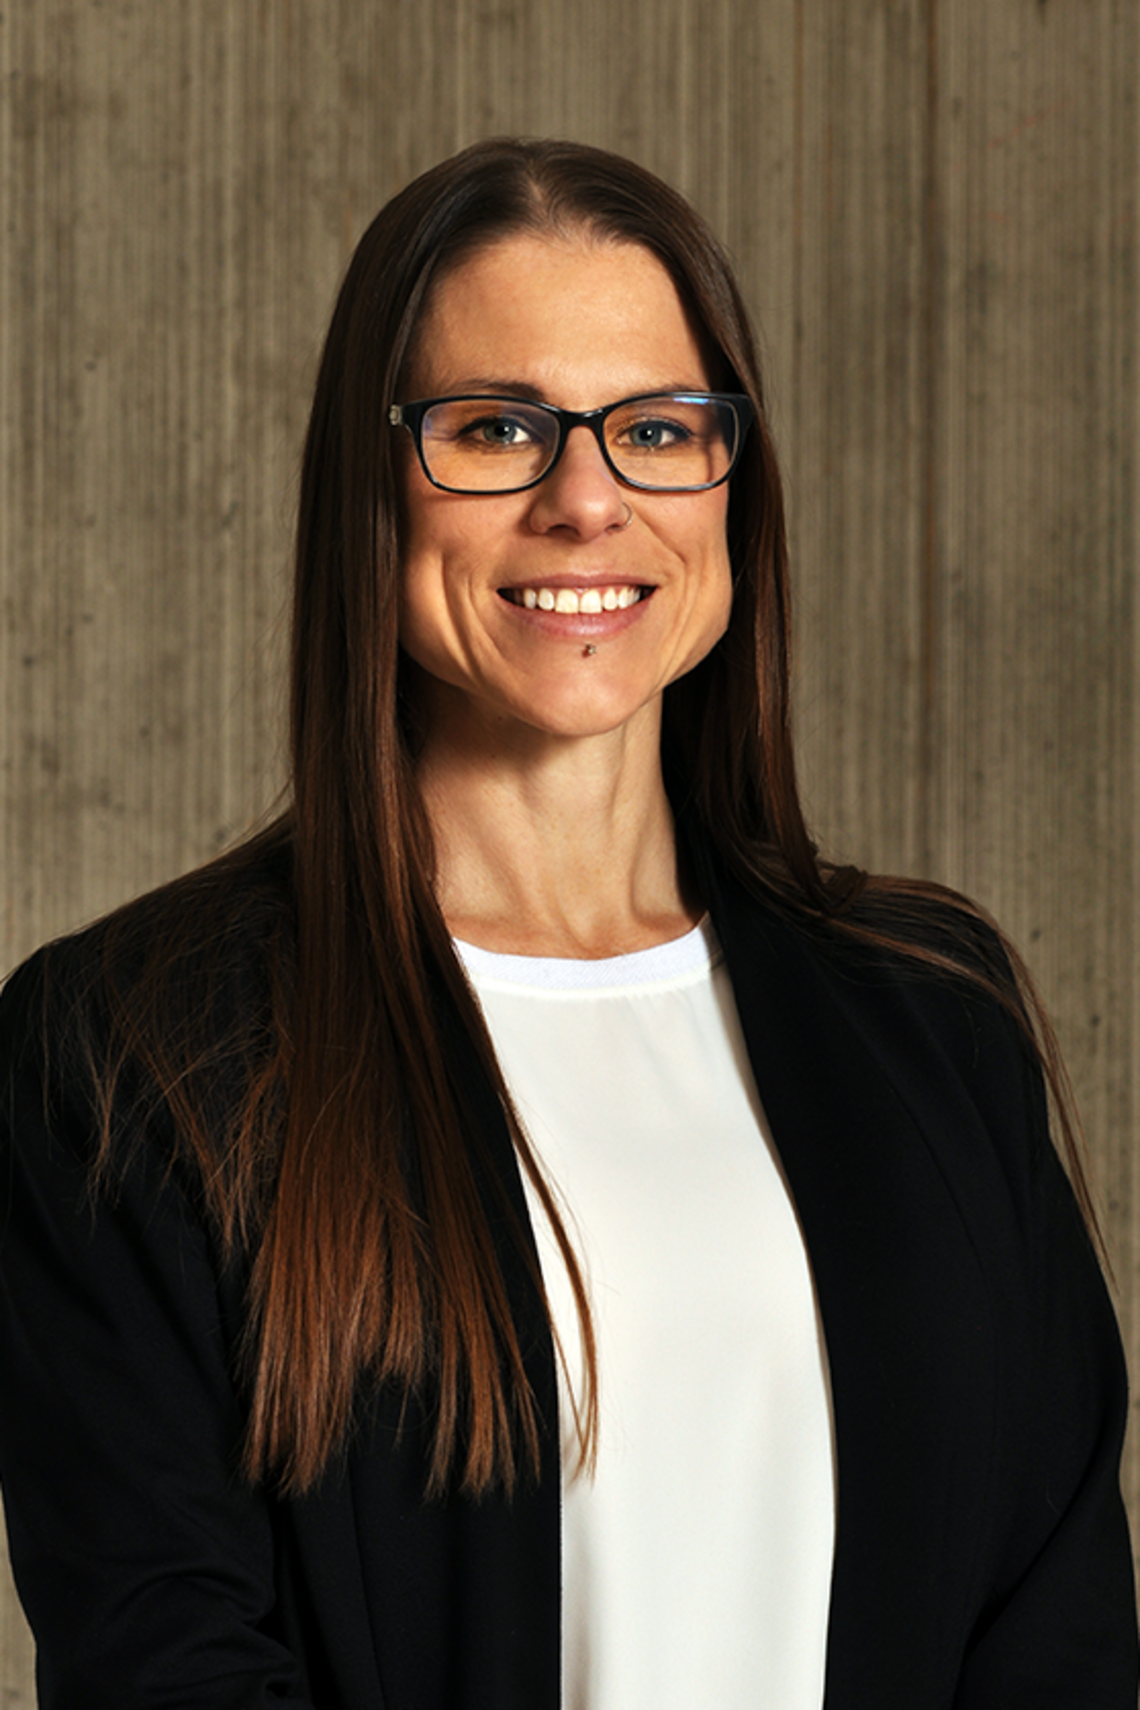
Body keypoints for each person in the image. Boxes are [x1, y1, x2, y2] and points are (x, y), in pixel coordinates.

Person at [0, 137, 1135, 1710]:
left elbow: (1058, 1630)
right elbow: (163, 1658)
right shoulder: (131, 1050)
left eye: (658, 430)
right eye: (497, 427)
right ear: (372, 481)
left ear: (731, 485)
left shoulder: (938, 1016)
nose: (587, 498)